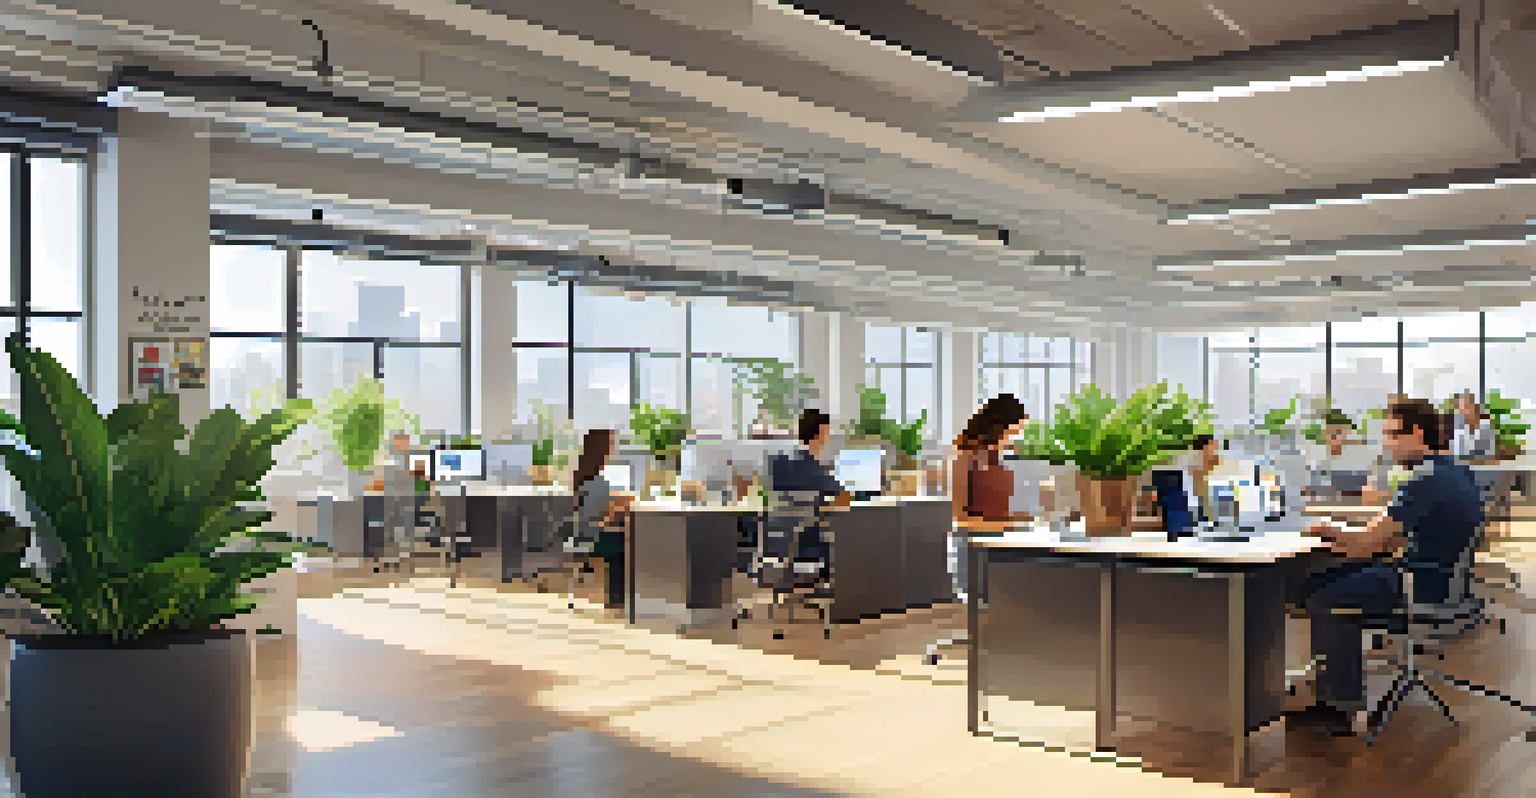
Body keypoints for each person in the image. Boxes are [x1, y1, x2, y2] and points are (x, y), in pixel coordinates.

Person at [1289, 397, 1484, 736]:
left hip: (1419, 586)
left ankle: (1337, 709)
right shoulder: (1455, 471)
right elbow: (1387, 539)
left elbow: (1370, 543)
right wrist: (1346, 537)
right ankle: (1335, 688)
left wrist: (1328, 530)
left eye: (1393, 434)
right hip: (1442, 584)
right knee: (1322, 582)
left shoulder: (1425, 479)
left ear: (1418, 434)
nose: (1387, 443)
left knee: (1325, 597)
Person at [949, 394, 1029, 602]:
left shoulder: (999, 459)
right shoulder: (965, 457)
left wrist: (1019, 519)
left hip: (1001, 545)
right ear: (1000, 426)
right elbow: (959, 518)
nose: (1013, 438)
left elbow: (994, 506)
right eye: (1013, 431)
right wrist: (1007, 524)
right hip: (976, 549)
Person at [765, 409, 851, 567]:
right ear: (821, 434)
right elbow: (844, 498)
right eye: (827, 433)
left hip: (778, 544)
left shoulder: (778, 463)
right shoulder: (816, 470)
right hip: (810, 544)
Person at [570, 429, 634, 609]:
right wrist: (621, 505)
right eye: (611, 445)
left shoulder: (584, 476)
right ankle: (618, 600)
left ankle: (617, 598)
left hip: (584, 534)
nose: (613, 450)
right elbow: (606, 517)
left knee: (624, 537)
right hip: (594, 538)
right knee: (628, 544)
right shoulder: (598, 482)